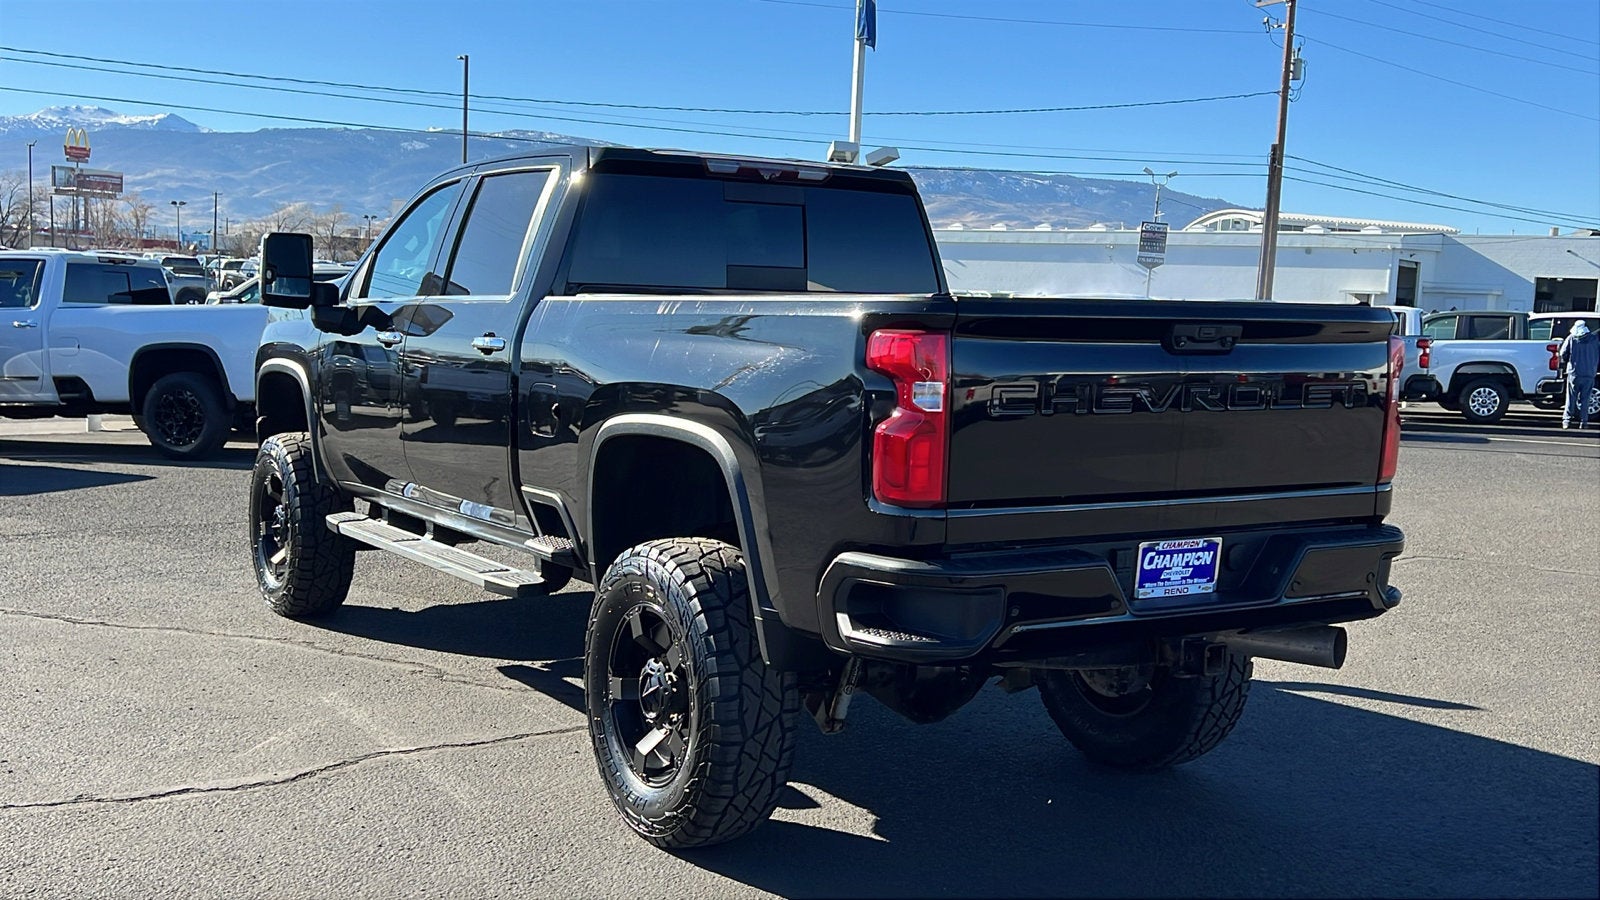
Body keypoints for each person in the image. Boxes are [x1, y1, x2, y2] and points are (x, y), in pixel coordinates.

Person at [1557, 318, 1599, 429]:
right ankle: (1584, 422)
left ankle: (1567, 420)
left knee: (1571, 398)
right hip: (1590, 373)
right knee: (1586, 399)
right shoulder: (1594, 339)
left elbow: (1563, 353)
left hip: (1574, 373)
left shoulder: (1571, 339)